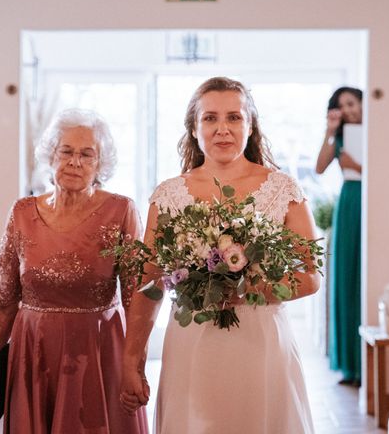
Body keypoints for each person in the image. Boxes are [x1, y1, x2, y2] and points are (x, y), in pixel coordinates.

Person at [120, 77, 321, 433]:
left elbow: (310, 276)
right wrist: (132, 359)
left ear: (250, 125)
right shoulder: (168, 195)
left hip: (261, 342)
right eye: (210, 118)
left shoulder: (283, 189)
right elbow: (149, 280)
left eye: (234, 117)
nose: (222, 129)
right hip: (193, 343)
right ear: (194, 129)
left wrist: (248, 289)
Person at [0, 108, 148, 433]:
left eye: (87, 154)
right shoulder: (22, 212)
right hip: (33, 352)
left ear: (101, 163)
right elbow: (2, 302)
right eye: (66, 152)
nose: (75, 162)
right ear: (50, 156)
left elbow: (135, 302)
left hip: (97, 354)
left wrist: (135, 366)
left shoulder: (121, 211)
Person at [315, 86, 363, 385]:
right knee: (345, 275)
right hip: (348, 203)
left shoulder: (379, 130)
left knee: (363, 276)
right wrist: (330, 131)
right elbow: (319, 167)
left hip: (370, 199)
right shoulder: (341, 136)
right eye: (342, 105)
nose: (348, 109)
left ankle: (363, 362)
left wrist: (356, 166)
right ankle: (349, 365)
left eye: (352, 102)